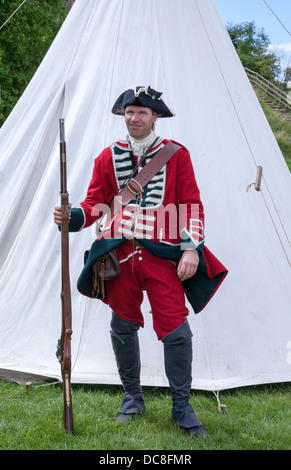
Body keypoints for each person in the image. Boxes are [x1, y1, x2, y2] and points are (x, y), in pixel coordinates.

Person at [54, 86, 228, 438]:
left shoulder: (175, 154)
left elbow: (191, 204)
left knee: (176, 330)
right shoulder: (107, 157)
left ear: (155, 117)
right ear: (123, 115)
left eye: (142, 113)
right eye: (129, 112)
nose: (134, 118)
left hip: (160, 255)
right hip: (118, 256)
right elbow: (93, 205)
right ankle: (132, 399)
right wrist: (71, 216)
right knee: (122, 325)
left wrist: (192, 248)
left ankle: (182, 407)